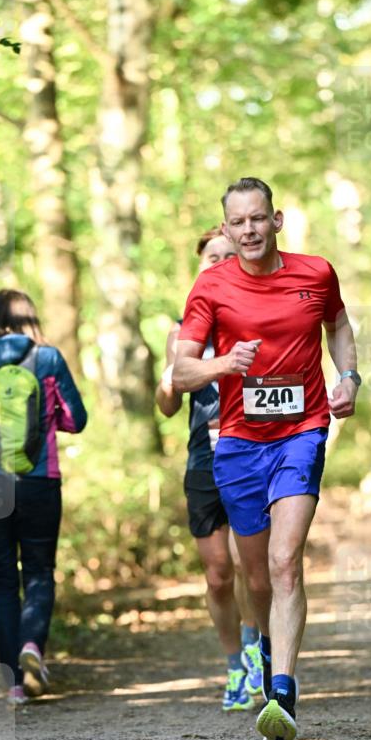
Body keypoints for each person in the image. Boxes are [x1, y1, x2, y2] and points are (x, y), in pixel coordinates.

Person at [173, 178, 359, 740]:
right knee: (255, 578)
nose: (249, 230)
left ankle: (282, 694)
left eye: (259, 219)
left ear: (276, 221)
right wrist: (226, 362)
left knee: (284, 563)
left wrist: (348, 376)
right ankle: (268, 662)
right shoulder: (211, 286)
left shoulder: (316, 273)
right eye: (238, 222)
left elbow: (340, 327)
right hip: (237, 445)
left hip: (301, 433)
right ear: (226, 229)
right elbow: (180, 372)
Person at [156, 227, 263, 712]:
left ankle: (257, 644)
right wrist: (168, 382)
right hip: (204, 457)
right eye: (211, 257)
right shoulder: (183, 330)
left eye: (228, 254)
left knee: (250, 566)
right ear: (200, 266)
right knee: (219, 573)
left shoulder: (255, 314)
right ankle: (234, 666)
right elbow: (167, 407)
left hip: (253, 451)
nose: (220, 262)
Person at [0, 290, 87, 705]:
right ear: (29, 319)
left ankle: (15, 685)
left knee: (1, 577)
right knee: (37, 570)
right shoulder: (48, 358)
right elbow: (77, 419)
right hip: (39, 479)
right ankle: (33, 645)